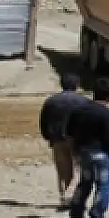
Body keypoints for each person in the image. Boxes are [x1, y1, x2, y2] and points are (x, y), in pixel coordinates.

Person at [66, 77, 109, 218]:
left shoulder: (79, 110)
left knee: (85, 182)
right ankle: (97, 215)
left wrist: (73, 152)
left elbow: (70, 134)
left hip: (84, 153)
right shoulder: (107, 114)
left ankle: (76, 211)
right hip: (102, 154)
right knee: (104, 184)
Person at [38, 73, 88, 209]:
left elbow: (43, 120)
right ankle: (73, 196)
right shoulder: (83, 101)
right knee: (77, 169)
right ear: (77, 85)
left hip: (57, 138)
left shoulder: (51, 101)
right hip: (77, 139)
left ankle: (63, 198)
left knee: (62, 170)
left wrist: (47, 136)